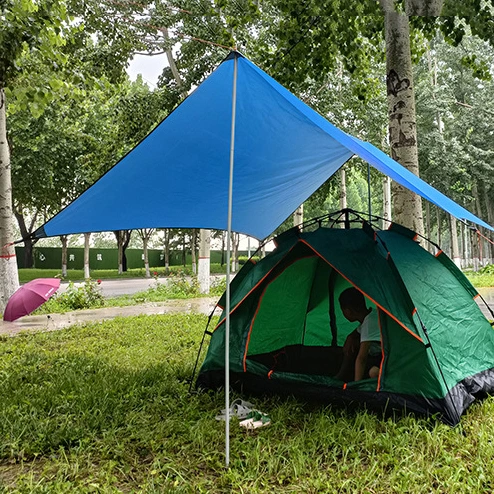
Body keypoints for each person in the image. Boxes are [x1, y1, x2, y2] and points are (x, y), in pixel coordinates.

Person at [334, 287, 382, 382]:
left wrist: (357, 384)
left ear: (348, 311)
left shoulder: (369, 323)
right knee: (354, 343)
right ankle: (340, 376)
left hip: (390, 358)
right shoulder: (369, 316)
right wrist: (350, 337)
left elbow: (362, 358)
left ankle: (354, 381)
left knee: (373, 372)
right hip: (379, 355)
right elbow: (355, 334)